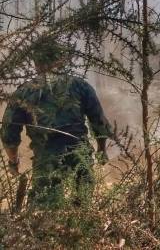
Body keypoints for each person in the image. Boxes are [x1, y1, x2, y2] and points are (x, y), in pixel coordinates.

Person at [1, 36, 112, 207]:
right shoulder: (80, 86)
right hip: (79, 155)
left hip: (47, 160)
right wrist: (102, 150)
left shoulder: (24, 92)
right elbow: (99, 121)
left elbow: (9, 133)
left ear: (36, 62)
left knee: (45, 215)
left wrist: (13, 161)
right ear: (60, 60)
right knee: (82, 210)